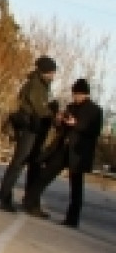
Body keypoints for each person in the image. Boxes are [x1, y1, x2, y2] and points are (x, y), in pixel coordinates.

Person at [22, 79, 104, 227]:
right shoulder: (71, 107)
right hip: (63, 148)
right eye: (74, 94)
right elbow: (61, 129)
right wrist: (59, 121)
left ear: (85, 94)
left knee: (76, 187)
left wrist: (76, 124)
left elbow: (94, 131)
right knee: (44, 176)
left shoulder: (95, 110)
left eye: (78, 94)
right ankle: (29, 202)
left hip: (79, 154)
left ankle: (72, 219)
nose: (75, 97)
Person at [0, 55, 56, 211]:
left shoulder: (41, 85)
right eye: (51, 72)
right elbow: (39, 108)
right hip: (29, 127)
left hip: (34, 128)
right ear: (43, 71)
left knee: (32, 163)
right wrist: (53, 114)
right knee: (19, 162)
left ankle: (28, 200)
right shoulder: (36, 85)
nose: (53, 75)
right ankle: (6, 196)